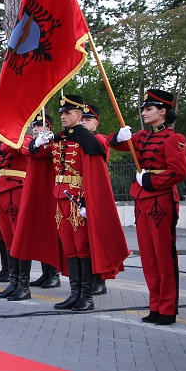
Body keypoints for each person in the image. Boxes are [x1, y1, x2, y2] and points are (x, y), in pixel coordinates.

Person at [14, 95, 129, 311]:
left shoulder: (87, 140)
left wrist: (87, 201)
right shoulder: (59, 139)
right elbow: (32, 154)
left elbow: (93, 174)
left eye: (67, 113)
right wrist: (37, 142)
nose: (63, 116)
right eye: (62, 113)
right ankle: (74, 293)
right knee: (70, 248)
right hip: (60, 201)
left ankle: (86, 296)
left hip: (79, 202)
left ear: (79, 115)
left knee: (82, 248)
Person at [109, 89, 186, 325]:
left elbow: (179, 172)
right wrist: (118, 137)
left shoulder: (175, 139)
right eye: (144, 108)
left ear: (163, 112)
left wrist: (151, 180)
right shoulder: (142, 137)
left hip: (161, 199)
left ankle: (167, 308)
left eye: (149, 109)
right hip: (142, 200)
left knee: (163, 256)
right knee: (149, 257)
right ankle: (155, 305)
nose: (144, 112)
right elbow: (119, 145)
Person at [0, 119, 32, 301]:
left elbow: (23, 148)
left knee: (19, 239)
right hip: (0, 194)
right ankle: (14, 281)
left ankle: (23, 285)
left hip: (16, 192)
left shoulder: (23, 140)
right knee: (8, 240)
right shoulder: (2, 146)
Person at [26, 114, 61, 289]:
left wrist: (44, 142)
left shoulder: (53, 145)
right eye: (34, 126)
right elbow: (27, 150)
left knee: (51, 235)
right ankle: (46, 273)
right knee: (42, 234)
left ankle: (54, 274)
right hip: (40, 194)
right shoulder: (35, 145)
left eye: (40, 126)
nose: (35, 129)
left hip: (52, 193)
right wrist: (37, 143)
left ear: (48, 128)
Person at [80, 104, 109, 295]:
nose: (83, 122)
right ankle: (87, 279)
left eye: (88, 119)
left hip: (97, 193)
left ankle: (101, 279)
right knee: (83, 241)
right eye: (81, 119)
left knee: (97, 238)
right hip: (79, 192)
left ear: (96, 123)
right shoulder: (78, 140)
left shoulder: (98, 139)